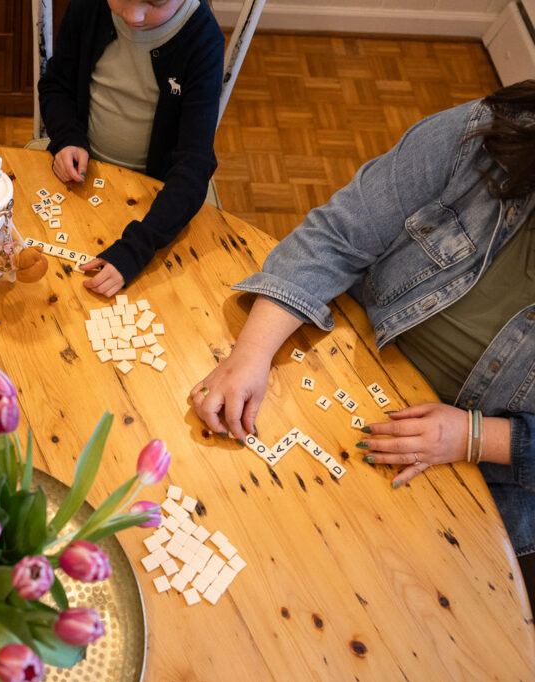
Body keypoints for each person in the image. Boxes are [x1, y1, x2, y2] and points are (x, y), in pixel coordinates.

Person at [190, 82, 535, 569]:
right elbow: (338, 234)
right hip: (347, 356)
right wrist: (251, 353)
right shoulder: (488, 131)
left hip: (481, 473)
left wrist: (474, 437)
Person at [37, 0, 223, 297]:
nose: (134, 16)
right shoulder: (87, 8)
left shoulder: (203, 39)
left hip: (157, 195)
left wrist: (136, 249)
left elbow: (195, 164)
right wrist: (67, 137)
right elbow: (55, 86)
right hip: (80, 175)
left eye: (155, 3)